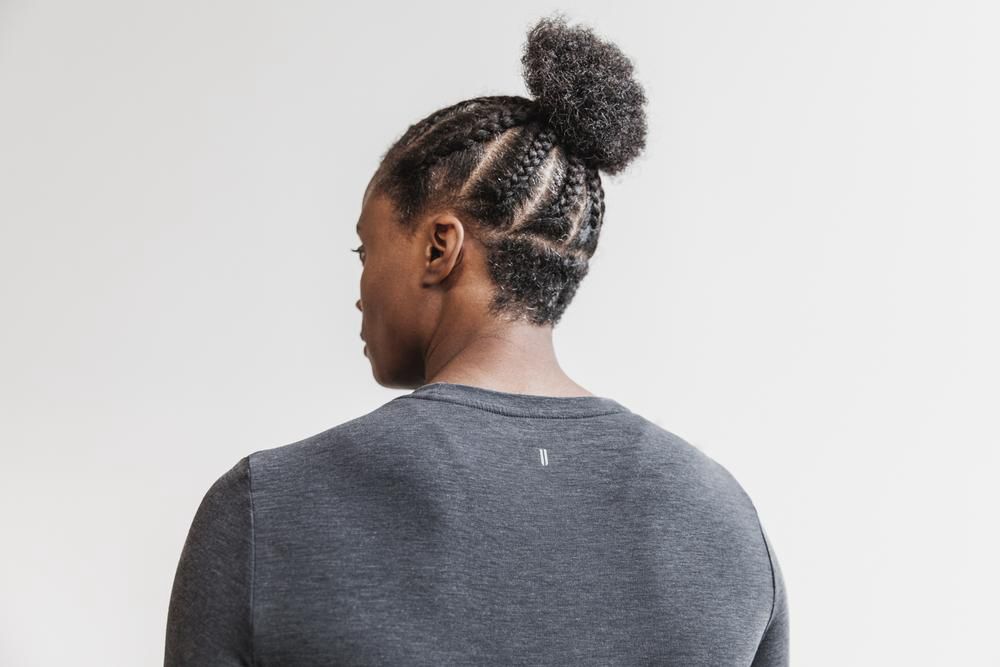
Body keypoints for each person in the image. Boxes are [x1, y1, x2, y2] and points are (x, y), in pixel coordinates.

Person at [164, 13, 789, 666]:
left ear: (439, 247)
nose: (359, 291)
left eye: (365, 250)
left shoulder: (266, 511)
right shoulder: (727, 526)